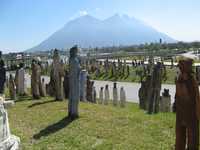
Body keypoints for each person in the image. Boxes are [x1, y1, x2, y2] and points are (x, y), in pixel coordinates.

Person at [174, 58, 200, 150]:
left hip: (182, 111)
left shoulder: (179, 78)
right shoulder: (190, 79)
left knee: (181, 134)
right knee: (192, 135)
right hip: (190, 112)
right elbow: (196, 97)